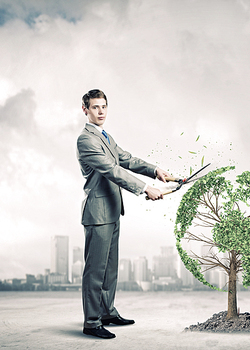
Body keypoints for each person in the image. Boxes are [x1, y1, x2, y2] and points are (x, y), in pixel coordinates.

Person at [76, 89, 170, 339]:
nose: (101, 112)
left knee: (110, 269)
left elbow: (126, 159)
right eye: (95, 107)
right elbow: (112, 170)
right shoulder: (86, 140)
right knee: (95, 270)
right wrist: (144, 189)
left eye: (104, 106)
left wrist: (155, 171)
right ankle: (92, 321)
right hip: (97, 213)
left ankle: (107, 312)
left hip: (113, 210)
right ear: (85, 109)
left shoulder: (106, 137)